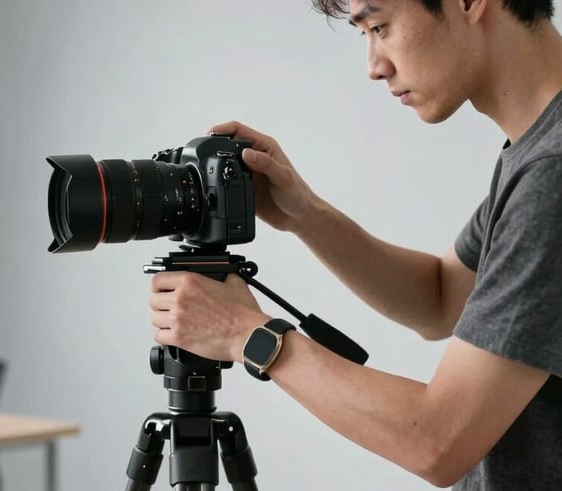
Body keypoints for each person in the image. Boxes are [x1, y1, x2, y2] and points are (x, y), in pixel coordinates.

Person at [148, 0, 562, 488]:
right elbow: (441, 297)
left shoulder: (551, 173)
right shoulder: (537, 150)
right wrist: (304, 214)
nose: (373, 66)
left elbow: (437, 440)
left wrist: (246, 334)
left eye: (380, 26)